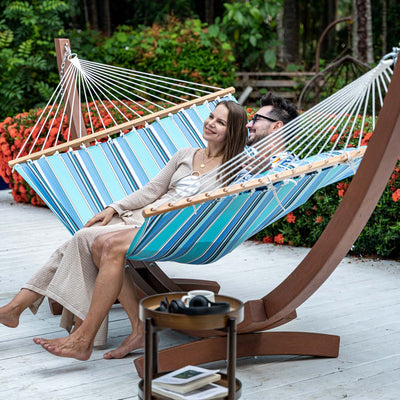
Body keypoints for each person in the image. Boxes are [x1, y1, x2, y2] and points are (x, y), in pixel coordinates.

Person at [0, 100, 248, 361]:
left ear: (232, 131)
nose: (210, 123)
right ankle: (132, 329)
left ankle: (68, 330)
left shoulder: (232, 170)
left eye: (221, 122)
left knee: (86, 239)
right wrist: (113, 208)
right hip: (137, 218)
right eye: (211, 116)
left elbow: (258, 170)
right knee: (94, 246)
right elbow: (152, 190)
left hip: (169, 229)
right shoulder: (185, 154)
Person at [244, 92, 299, 174]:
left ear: (276, 126)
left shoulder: (292, 166)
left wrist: (266, 175)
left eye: (256, 119)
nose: (248, 125)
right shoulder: (248, 160)